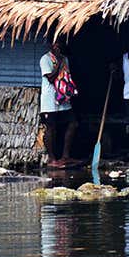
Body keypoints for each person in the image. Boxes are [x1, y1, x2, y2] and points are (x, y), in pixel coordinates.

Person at [40, 39, 78, 168]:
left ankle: (65, 156)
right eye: (55, 43)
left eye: (59, 43)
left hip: (63, 96)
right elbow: (50, 78)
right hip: (50, 98)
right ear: (50, 45)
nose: (58, 46)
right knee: (51, 127)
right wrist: (58, 63)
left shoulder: (64, 59)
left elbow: (66, 76)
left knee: (73, 122)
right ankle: (52, 159)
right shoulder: (45, 59)